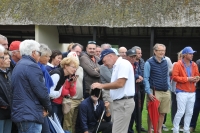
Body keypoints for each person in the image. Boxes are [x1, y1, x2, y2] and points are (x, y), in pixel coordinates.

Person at [11, 40, 52, 133]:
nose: (39, 55)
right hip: (30, 113)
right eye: (39, 53)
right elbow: (41, 91)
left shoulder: (19, 64)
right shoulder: (32, 66)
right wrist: (48, 107)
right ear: (33, 53)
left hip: (24, 112)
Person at [91, 49, 135, 133]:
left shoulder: (123, 64)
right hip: (120, 103)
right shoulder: (117, 65)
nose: (104, 64)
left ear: (110, 56)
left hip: (123, 103)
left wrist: (101, 85)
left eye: (104, 61)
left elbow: (120, 83)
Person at [144, 43, 171, 133]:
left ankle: (159, 130)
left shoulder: (165, 61)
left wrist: (169, 88)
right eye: (160, 51)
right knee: (152, 113)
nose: (162, 52)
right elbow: (146, 78)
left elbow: (167, 76)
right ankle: (149, 131)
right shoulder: (149, 62)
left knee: (162, 113)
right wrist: (148, 92)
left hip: (165, 91)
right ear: (155, 51)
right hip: (154, 92)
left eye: (163, 51)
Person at [172, 46, 199, 133]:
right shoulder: (177, 64)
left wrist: (197, 78)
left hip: (192, 92)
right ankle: (176, 129)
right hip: (182, 91)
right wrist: (187, 79)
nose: (192, 55)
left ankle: (186, 129)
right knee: (181, 111)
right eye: (190, 53)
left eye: (192, 53)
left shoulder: (194, 64)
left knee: (190, 112)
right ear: (185, 55)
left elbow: (197, 74)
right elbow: (175, 77)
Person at [49, 56, 79, 124]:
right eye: (73, 67)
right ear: (66, 66)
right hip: (51, 103)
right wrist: (58, 93)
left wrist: (72, 84)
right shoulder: (57, 74)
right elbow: (48, 92)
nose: (75, 69)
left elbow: (72, 93)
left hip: (58, 103)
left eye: (76, 68)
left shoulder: (65, 76)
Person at [63, 52, 85, 133]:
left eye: (76, 59)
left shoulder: (81, 69)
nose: (74, 61)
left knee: (75, 122)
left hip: (80, 99)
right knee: (67, 122)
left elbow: (83, 83)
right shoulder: (66, 70)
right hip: (70, 100)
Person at [100, 48, 119, 121]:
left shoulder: (115, 66)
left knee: (116, 115)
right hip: (108, 92)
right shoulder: (103, 67)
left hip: (115, 92)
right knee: (111, 114)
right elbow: (111, 80)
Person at [38, 43, 54, 133]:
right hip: (40, 106)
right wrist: (45, 106)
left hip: (44, 104)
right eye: (47, 56)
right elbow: (41, 89)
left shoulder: (43, 68)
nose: (48, 59)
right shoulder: (37, 68)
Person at [132, 46, 147, 132]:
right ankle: (130, 126)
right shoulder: (130, 62)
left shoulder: (142, 62)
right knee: (133, 108)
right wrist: (137, 77)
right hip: (133, 88)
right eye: (138, 53)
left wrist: (141, 78)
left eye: (141, 53)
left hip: (141, 87)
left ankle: (139, 125)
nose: (140, 55)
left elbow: (144, 73)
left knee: (140, 108)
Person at [0, 48, 12, 133]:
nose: (9, 60)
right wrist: (3, 104)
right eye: (6, 58)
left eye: (9, 58)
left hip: (9, 111)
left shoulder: (9, 72)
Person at [190, 59, 200, 132]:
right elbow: (196, 75)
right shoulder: (198, 62)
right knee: (195, 108)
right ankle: (192, 126)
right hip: (199, 89)